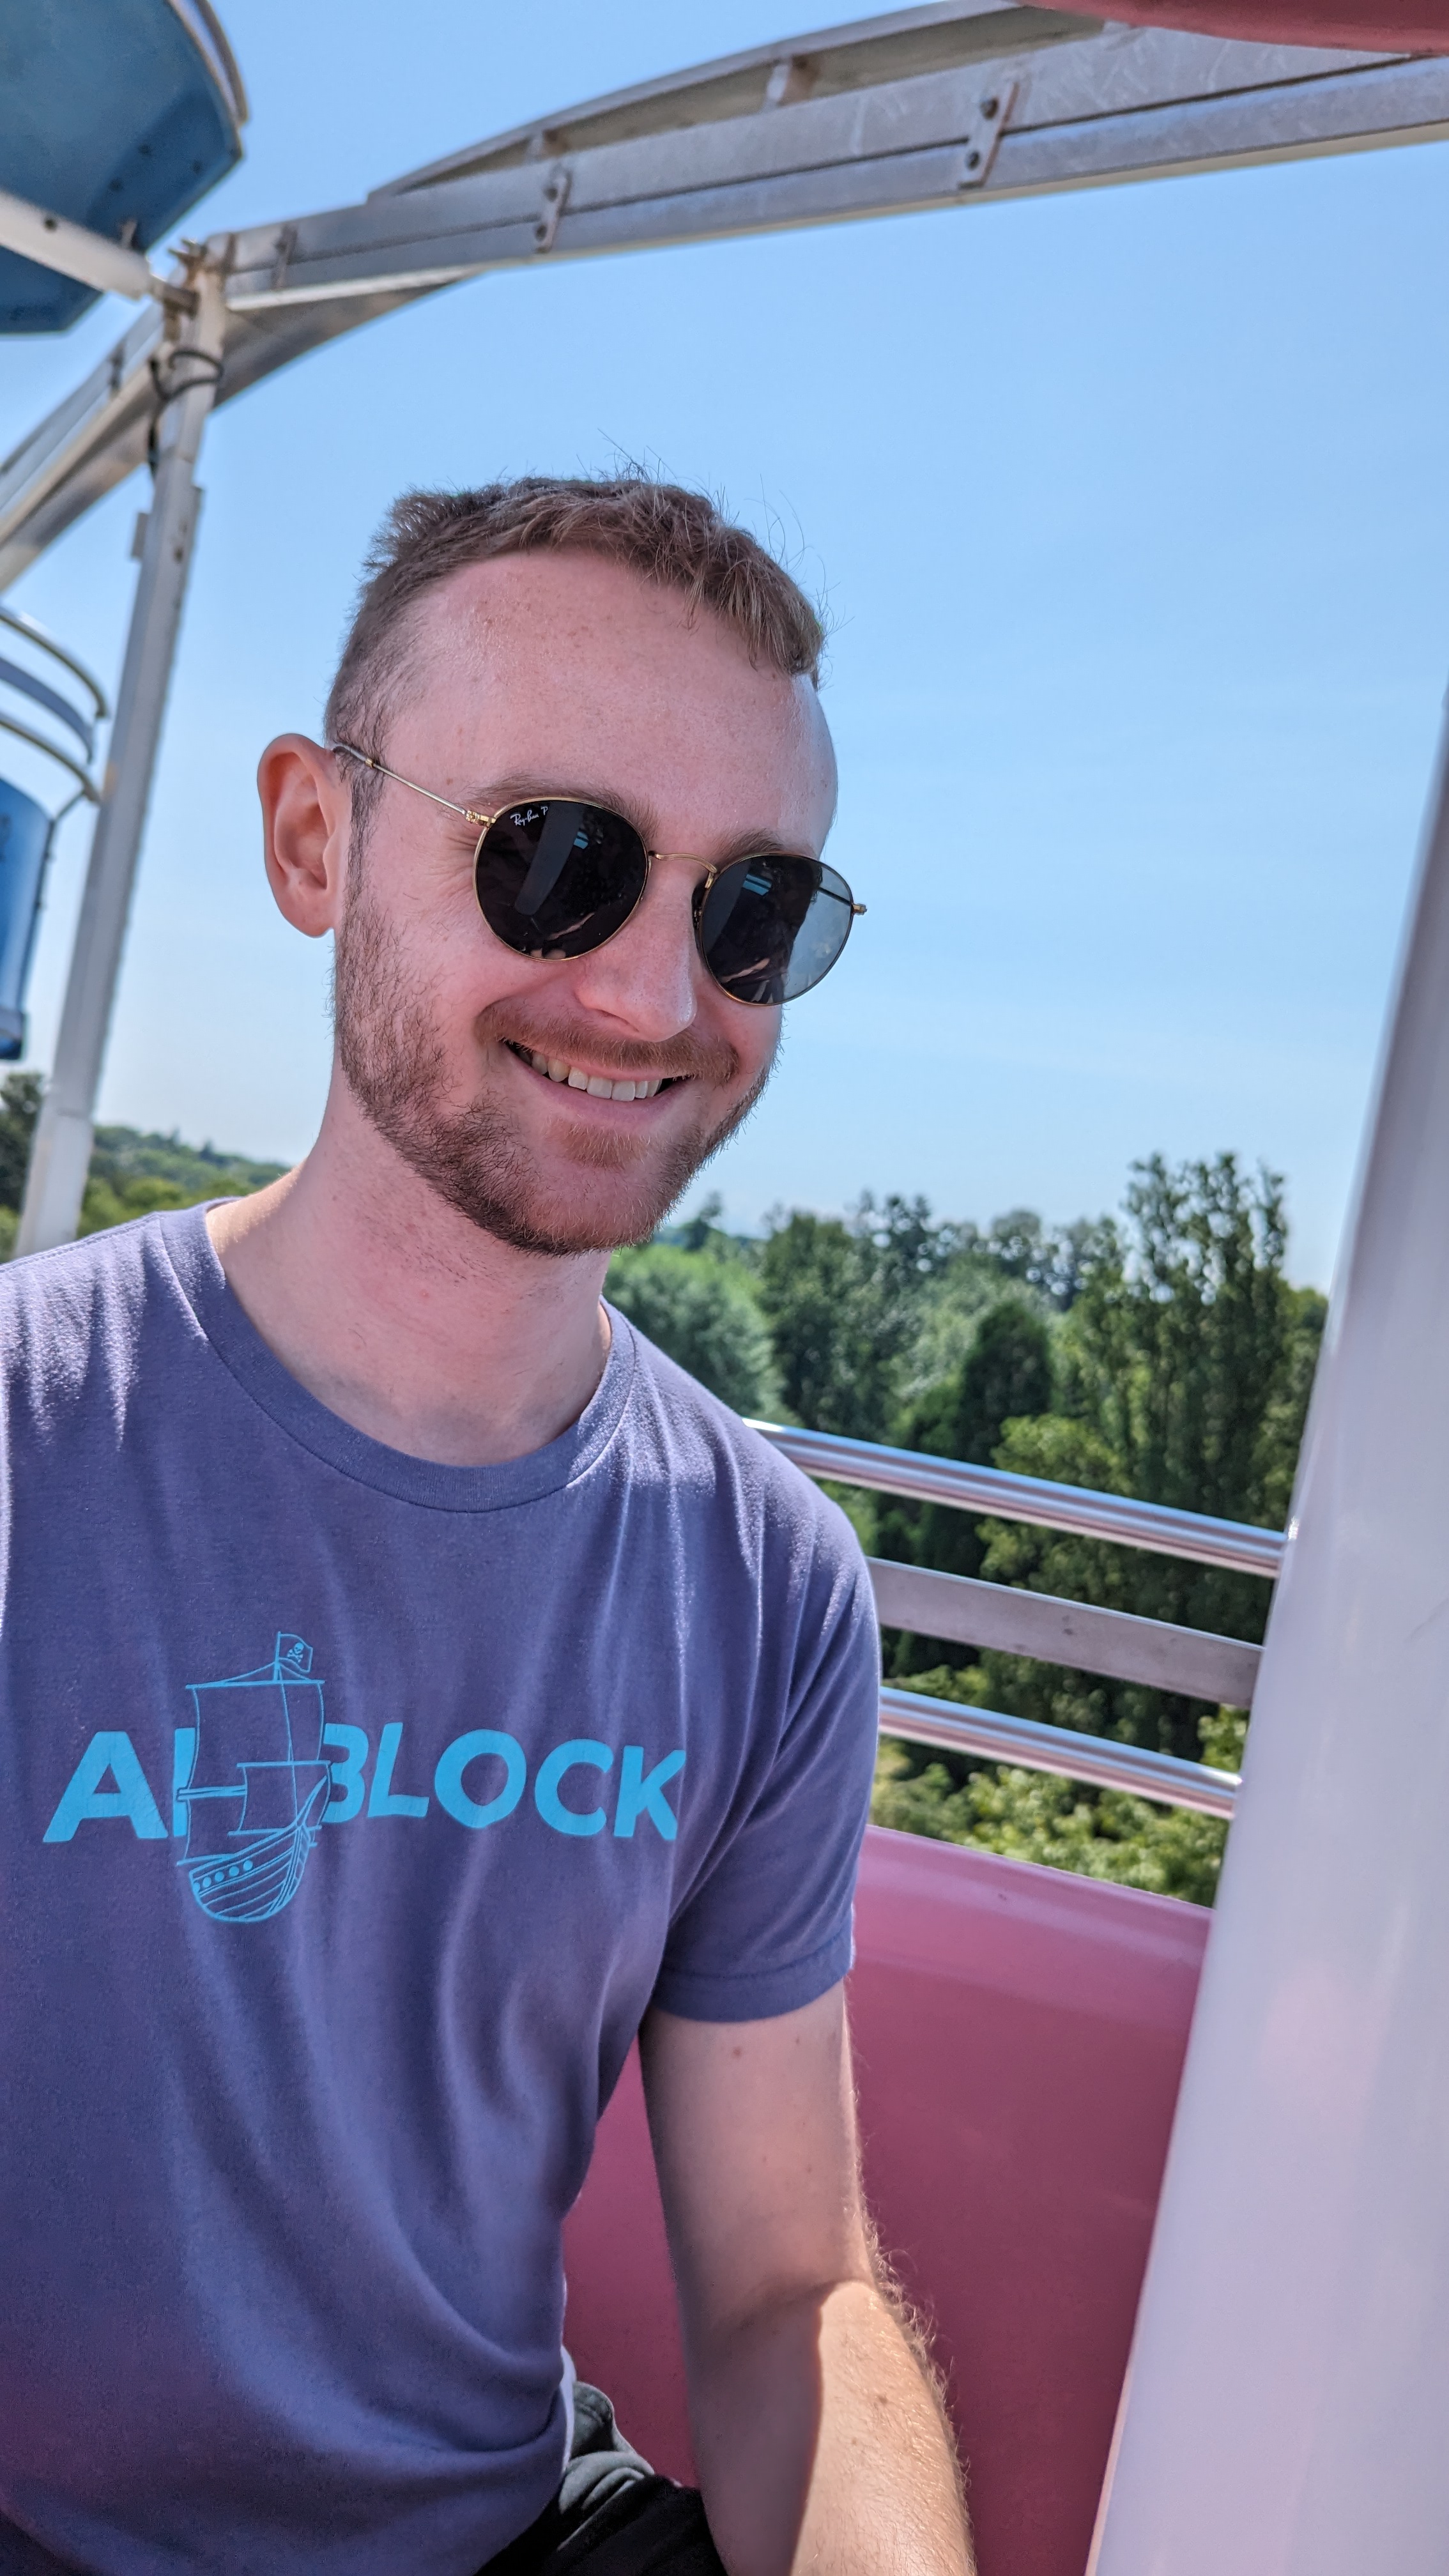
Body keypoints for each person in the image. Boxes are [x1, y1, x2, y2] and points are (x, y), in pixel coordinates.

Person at [0, 477, 971, 2576]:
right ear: (311, 840)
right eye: (557, 861)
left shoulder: (768, 1585)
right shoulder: (27, 1440)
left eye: (752, 911)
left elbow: (783, 2289)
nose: (650, 997)